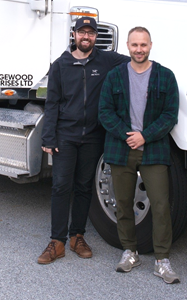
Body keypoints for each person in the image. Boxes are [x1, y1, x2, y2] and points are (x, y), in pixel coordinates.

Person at [37, 17, 130, 264]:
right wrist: (48, 136)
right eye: (82, 32)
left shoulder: (107, 60)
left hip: (93, 136)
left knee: (83, 187)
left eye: (90, 33)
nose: (86, 37)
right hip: (65, 136)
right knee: (60, 187)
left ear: (96, 37)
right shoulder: (60, 65)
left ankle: (77, 236)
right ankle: (56, 242)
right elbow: (52, 102)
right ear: (74, 35)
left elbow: (136, 60)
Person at [98, 27, 180, 283]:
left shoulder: (165, 76)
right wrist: (127, 134)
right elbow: (104, 111)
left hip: (153, 150)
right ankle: (129, 251)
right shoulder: (115, 76)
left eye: (143, 44)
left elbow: (170, 115)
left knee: (160, 205)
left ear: (151, 45)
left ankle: (162, 260)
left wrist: (144, 135)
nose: (139, 49)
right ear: (128, 46)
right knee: (122, 203)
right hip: (121, 149)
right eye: (134, 45)